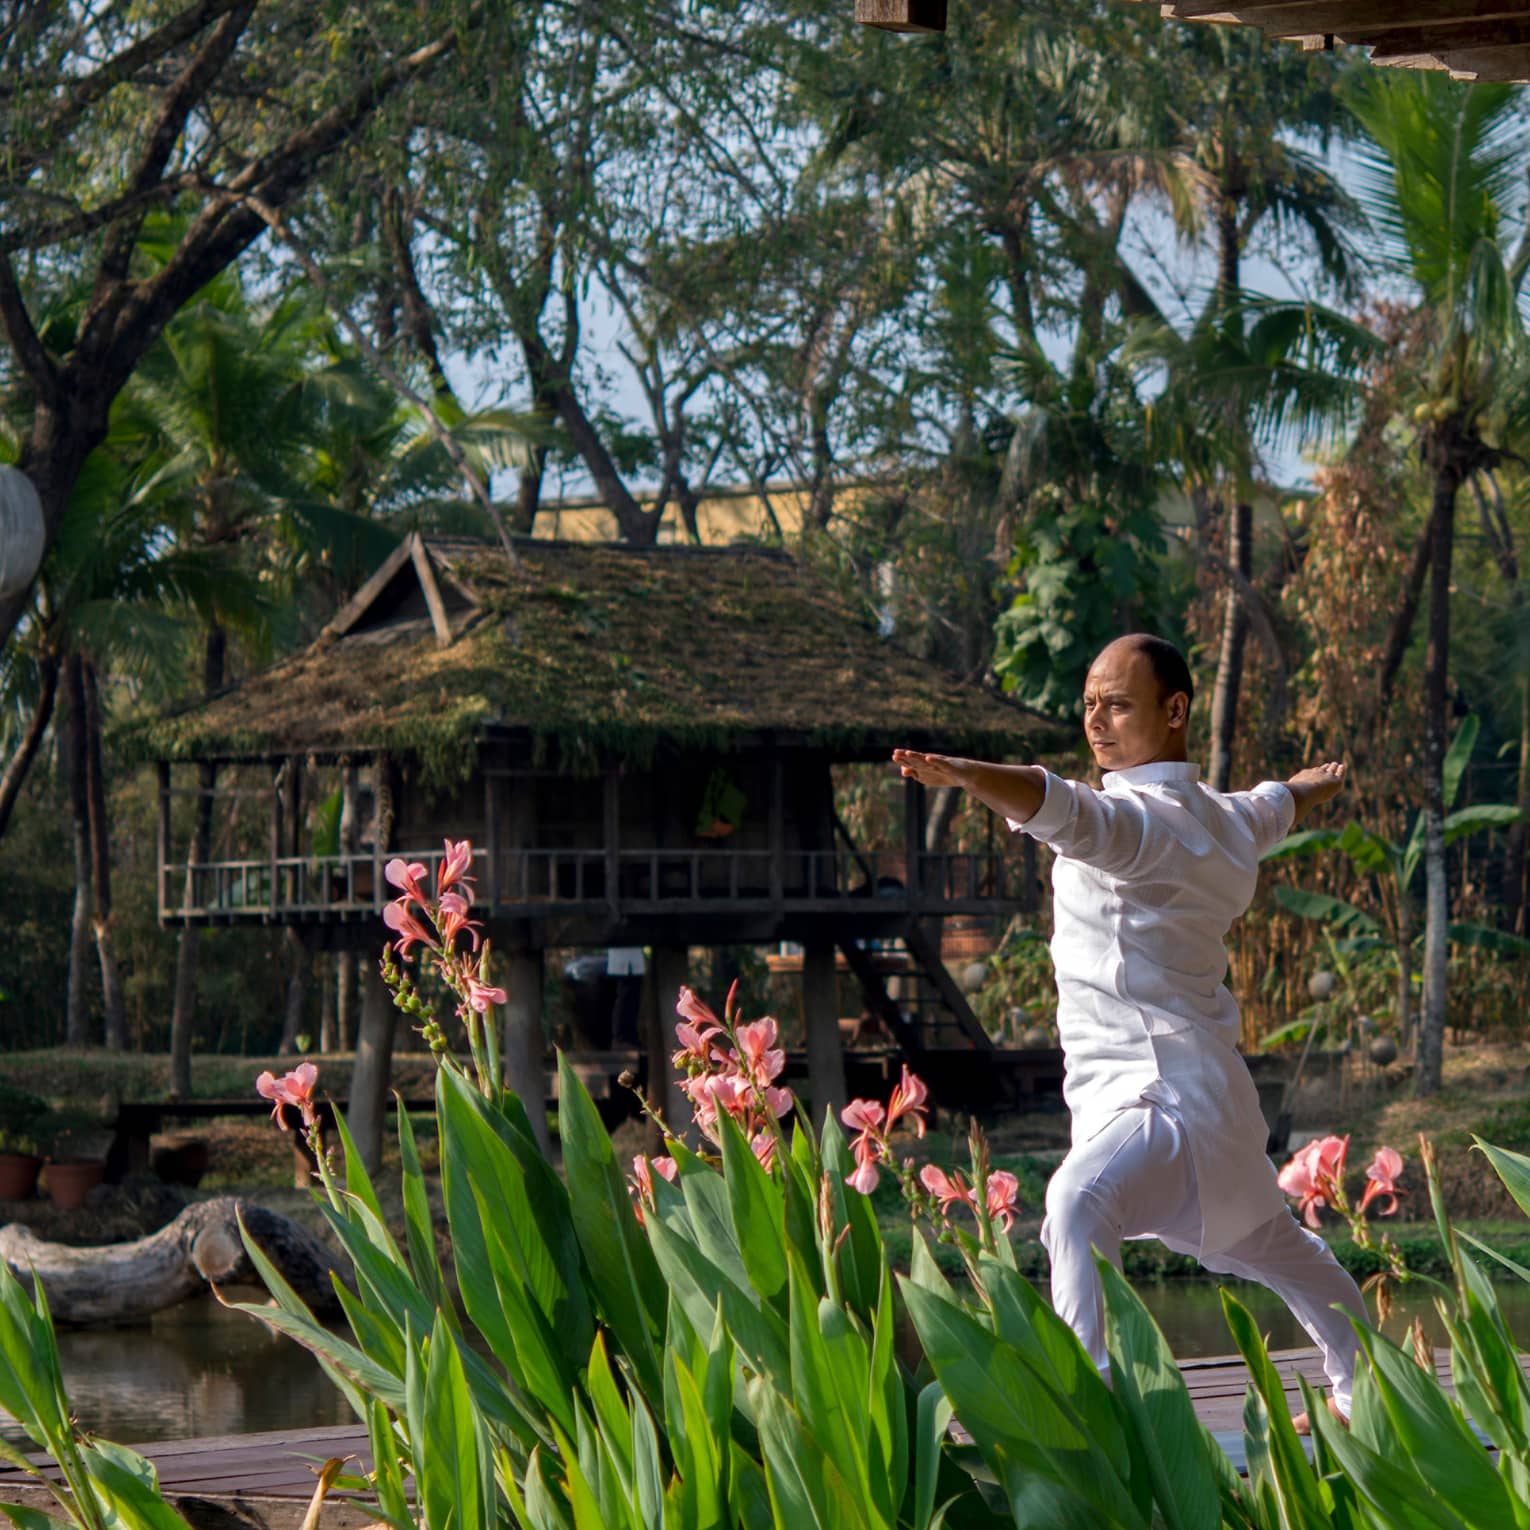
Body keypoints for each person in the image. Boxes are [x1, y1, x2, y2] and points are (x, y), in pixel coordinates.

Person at [893, 633, 1363, 1429]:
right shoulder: (1222, 819)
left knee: (1076, 1204)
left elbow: (1064, 806)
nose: (1096, 721)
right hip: (1212, 1106)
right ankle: (1366, 1385)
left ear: (1174, 710)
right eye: (1088, 704)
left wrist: (971, 775)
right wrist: (1312, 786)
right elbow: (1273, 805)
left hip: (1155, 1099)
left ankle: (1100, 1405)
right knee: (1283, 1251)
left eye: (1116, 703)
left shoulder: (1139, 827)